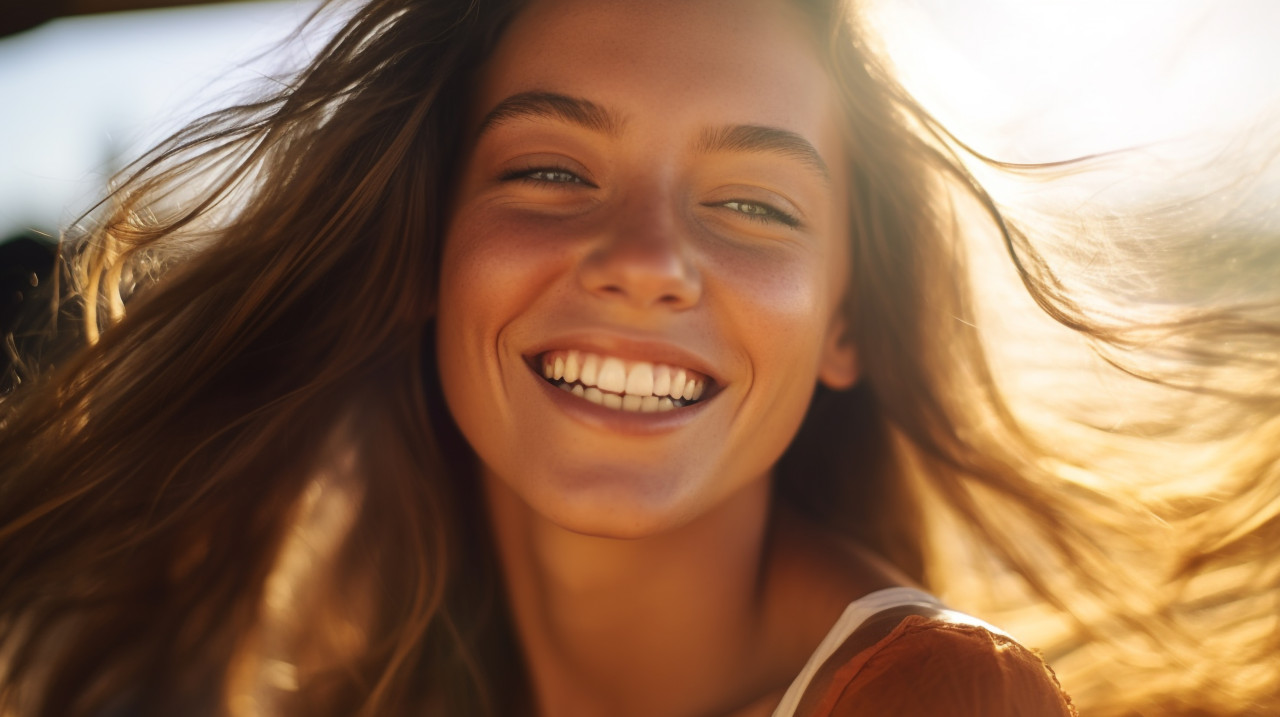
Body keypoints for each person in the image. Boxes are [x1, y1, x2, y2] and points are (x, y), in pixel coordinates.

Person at [0, 0, 1276, 715]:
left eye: (754, 203)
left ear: (844, 322)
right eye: (550, 170)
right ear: (425, 265)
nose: (647, 257)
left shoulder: (932, 707)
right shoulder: (370, 662)